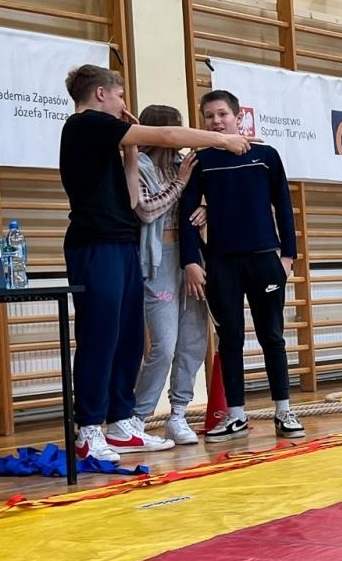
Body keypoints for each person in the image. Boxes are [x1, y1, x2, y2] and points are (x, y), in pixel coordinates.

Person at [60, 65, 248, 463]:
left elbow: (130, 199)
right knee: (99, 336)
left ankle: (121, 422)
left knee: (128, 336)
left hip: (122, 243)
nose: (124, 104)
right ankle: (88, 429)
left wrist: (128, 148)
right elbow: (167, 135)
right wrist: (222, 138)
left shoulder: (110, 139)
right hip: (94, 246)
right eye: (120, 96)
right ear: (100, 96)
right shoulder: (85, 125)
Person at [179, 89, 301, 442]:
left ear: (237, 118)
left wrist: (287, 256)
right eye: (209, 117)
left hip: (265, 260)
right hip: (221, 263)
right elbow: (187, 212)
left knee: (272, 336)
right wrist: (191, 259)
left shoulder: (266, 156)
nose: (216, 121)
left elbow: (283, 206)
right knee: (229, 339)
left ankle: (283, 410)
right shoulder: (201, 161)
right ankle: (235, 415)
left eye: (222, 115)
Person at [128, 105, 208, 447]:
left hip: (189, 259)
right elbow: (146, 210)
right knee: (164, 343)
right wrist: (180, 184)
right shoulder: (140, 165)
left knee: (193, 339)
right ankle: (137, 416)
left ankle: (178, 414)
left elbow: (200, 200)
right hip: (157, 261)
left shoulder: (183, 165)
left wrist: (207, 207)